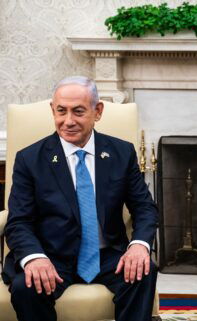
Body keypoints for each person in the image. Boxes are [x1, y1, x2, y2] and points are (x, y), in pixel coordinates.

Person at [1, 76, 158, 321]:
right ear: (52, 110)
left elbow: (144, 207)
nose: (68, 121)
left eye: (79, 111)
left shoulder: (121, 152)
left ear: (98, 111)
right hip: (50, 254)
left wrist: (139, 245)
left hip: (106, 255)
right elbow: (19, 221)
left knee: (143, 272)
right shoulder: (30, 159)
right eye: (61, 111)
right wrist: (34, 257)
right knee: (26, 287)